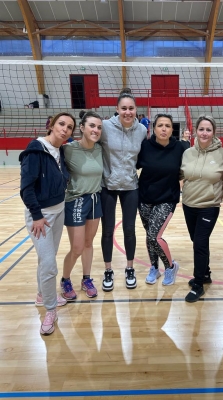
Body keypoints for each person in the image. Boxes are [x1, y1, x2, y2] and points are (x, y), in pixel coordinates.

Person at [19, 112, 76, 335]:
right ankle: (50, 310)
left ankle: (42, 294)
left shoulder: (61, 150)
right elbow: (26, 188)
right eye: (61, 124)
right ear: (51, 125)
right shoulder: (35, 150)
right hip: (40, 217)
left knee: (45, 259)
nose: (65, 129)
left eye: (70, 127)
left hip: (59, 210)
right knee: (50, 264)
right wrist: (36, 215)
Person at [99, 92, 147, 292]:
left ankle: (129, 268)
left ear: (136, 110)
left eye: (131, 108)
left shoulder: (142, 130)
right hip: (107, 186)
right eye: (124, 108)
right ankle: (108, 270)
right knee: (108, 230)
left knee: (129, 229)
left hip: (130, 186)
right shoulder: (105, 126)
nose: (128, 112)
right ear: (117, 109)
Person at [180, 115, 223, 302]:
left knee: (200, 243)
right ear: (196, 131)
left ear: (214, 132)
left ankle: (199, 284)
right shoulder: (187, 153)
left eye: (208, 129)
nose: (204, 133)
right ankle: (206, 273)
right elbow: (180, 174)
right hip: (188, 204)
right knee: (197, 241)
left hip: (209, 206)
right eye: (201, 129)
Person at [60, 111, 103, 301]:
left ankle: (86, 279)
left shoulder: (101, 149)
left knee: (88, 243)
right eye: (92, 126)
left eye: (99, 127)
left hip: (95, 200)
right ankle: (65, 279)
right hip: (75, 200)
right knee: (76, 247)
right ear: (82, 128)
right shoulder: (68, 149)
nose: (96, 130)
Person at [137, 114, 184, 286]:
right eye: (160, 125)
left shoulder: (181, 147)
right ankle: (154, 267)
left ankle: (170, 267)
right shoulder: (144, 146)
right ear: (154, 128)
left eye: (168, 126)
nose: (164, 129)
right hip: (144, 198)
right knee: (149, 237)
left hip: (167, 198)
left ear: (172, 129)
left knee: (154, 236)